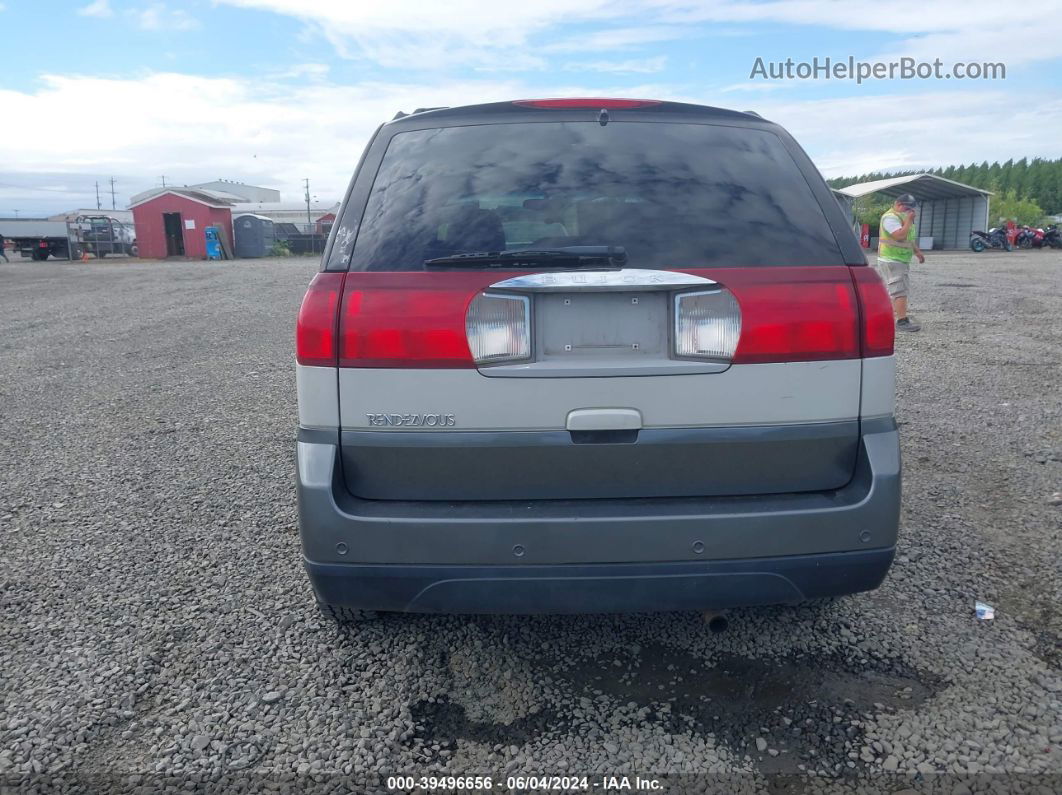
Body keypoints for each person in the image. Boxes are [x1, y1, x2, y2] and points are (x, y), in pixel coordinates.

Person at [876, 193, 925, 332]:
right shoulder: (890, 218)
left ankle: (889, 317)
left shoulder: (901, 217)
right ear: (898, 204)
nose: (909, 211)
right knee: (899, 291)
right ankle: (902, 321)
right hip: (892, 259)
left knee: (895, 290)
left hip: (898, 259)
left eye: (911, 209)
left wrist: (917, 252)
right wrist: (909, 221)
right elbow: (900, 236)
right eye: (907, 208)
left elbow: (908, 238)